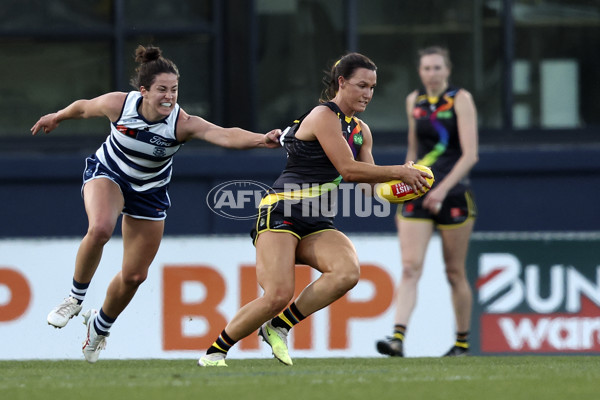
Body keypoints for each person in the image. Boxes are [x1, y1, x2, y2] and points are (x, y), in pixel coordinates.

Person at [31, 45, 281, 363]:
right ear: (144, 91)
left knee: (135, 276)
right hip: (108, 173)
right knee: (101, 228)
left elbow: (225, 136)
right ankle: (74, 298)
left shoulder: (181, 124)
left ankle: (99, 327)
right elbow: (83, 108)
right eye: (162, 89)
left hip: (149, 191)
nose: (169, 97)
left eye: (174, 90)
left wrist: (263, 139)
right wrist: (57, 116)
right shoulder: (119, 105)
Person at [197, 52, 432, 367]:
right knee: (278, 294)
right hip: (281, 211)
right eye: (361, 85)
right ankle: (214, 353)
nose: (368, 93)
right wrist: (400, 171)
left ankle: (279, 326)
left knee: (347, 272)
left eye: (373, 87)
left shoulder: (361, 130)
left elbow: (370, 186)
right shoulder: (323, 116)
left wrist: (404, 190)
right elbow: (348, 171)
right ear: (341, 82)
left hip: (317, 220)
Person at [376, 46, 479, 357]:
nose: (431, 74)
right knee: (410, 268)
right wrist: (402, 180)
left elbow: (469, 154)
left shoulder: (460, 99)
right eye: (426, 69)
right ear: (419, 72)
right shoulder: (414, 101)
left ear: (447, 70)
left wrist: (442, 190)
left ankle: (461, 343)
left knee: (454, 272)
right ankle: (397, 339)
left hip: (453, 193)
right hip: (418, 190)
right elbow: (413, 151)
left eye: (437, 68)